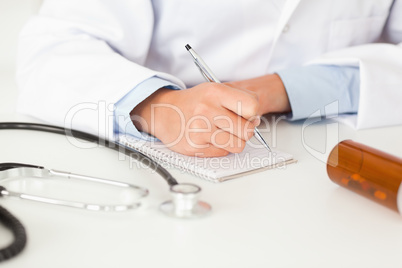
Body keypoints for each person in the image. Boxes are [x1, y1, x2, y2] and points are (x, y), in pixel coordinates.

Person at [16, 0, 402, 157]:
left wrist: (276, 90)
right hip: (158, 155)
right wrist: (160, 106)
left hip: (328, 151)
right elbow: (51, 49)